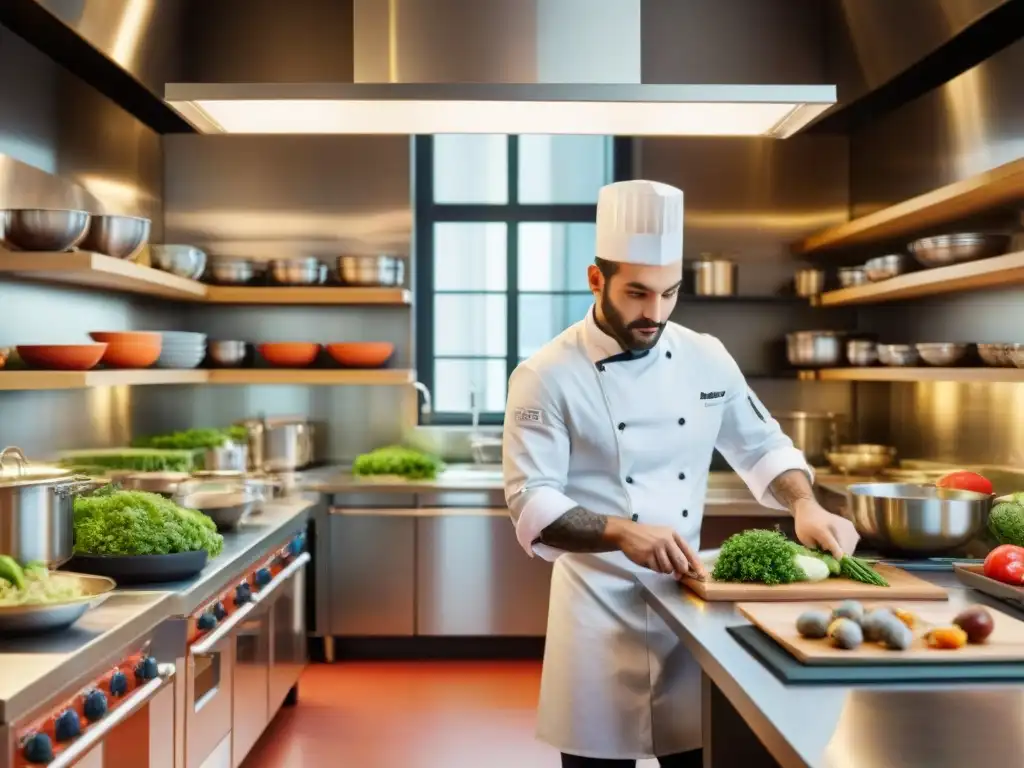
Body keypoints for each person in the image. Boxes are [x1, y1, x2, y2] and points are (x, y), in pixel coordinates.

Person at [502, 179, 860, 768]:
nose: (656, 313)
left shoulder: (705, 354)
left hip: (691, 608)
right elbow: (532, 502)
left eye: (670, 293)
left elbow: (762, 446)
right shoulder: (545, 374)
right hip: (595, 618)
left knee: (699, 755)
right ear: (596, 279)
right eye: (638, 293)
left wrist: (806, 505)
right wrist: (622, 532)